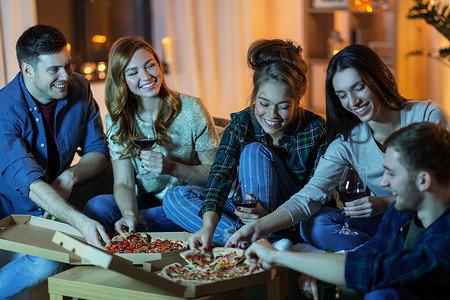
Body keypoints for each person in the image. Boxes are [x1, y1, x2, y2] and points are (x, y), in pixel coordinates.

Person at [226, 44, 449, 251]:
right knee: (316, 223)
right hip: (381, 228)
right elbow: (309, 196)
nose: (353, 102)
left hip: (429, 220)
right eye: (342, 95)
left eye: (359, 88)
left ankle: (373, 256)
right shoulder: (348, 141)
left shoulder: (426, 115)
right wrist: (255, 228)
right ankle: (372, 254)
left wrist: (385, 203)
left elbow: (444, 185)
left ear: (378, 78)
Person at [245, 122, 450, 300]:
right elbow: (372, 250)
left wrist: (278, 257)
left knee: (382, 295)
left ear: (423, 181)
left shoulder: (445, 236)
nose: (384, 182)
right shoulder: (402, 211)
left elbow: (378, 270)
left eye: (392, 173)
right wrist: (323, 268)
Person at [163, 39, 327, 249]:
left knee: (254, 151)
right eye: (264, 103)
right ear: (254, 97)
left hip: (292, 218)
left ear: (297, 101)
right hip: (249, 213)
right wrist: (207, 227)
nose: (272, 115)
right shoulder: (242, 123)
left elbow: (317, 195)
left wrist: (267, 218)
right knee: (174, 197)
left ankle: (261, 236)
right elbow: (220, 176)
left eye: (284, 106)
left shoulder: (315, 128)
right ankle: (253, 241)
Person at [0, 25, 110, 298]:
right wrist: (78, 221)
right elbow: (29, 182)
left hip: (54, 205)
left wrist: (69, 177)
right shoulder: (4, 110)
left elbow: (98, 152)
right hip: (11, 214)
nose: (66, 76)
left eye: (68, 65)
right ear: (27, 70)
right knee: (46, 263)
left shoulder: (79, 88)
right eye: (54, 70)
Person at [83, 37, 219, 235]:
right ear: (122, 79)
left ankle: (140, 234)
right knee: (97, 207)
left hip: (185, 200)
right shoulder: (118, 119)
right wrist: (129, 214)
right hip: (145, 200)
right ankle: (136, 231)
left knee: (166, 205)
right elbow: (124, 182)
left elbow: (216, 175)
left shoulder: (191, 109)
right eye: (133, 72)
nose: (146, 76)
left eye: (150, 65)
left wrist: (172, 168)